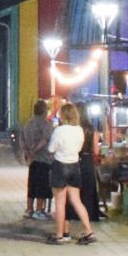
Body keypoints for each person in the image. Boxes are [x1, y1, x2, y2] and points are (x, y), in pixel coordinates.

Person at [46, 103, 95, 244]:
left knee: (60, 203)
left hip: (60, 166)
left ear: (63, 115)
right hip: (74, 167)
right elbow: (79, 147)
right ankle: (88, 231)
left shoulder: (59, 131)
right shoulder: (79, 130)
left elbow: (51, 148)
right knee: (76, 201)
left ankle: (59, 235)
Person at [18, 100, 54, 220]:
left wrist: (28, 151)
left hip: (31, 160)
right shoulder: (46, 124)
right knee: (42, 185)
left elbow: (21, 140)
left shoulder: (27, 124)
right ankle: (39, 210)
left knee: (32, 184)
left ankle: (29, 209)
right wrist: (35, 150)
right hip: (43, 158)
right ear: (44, 110)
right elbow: (45, 139)